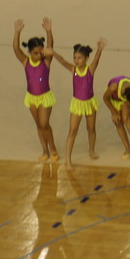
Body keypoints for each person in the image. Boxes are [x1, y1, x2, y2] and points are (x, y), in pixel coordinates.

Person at [45, 40, 105, 171]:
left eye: (79, 58)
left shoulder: (90, 70)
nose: (76, 61)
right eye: (75, 58)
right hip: (77, 103)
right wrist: (53, 52)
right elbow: (62, 61)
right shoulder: (74, 70)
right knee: (72, 131)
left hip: (89, 103)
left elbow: (96, 60)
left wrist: (100, 49)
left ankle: (91, 150)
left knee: (91, 128)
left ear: (86, 58)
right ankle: (68, 160)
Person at [13, 18, 59, 162]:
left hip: (45, 97)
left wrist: (49, 32)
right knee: (39, 125)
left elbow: (50, 46)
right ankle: (45, 151)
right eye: (36, 53)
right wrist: (17, 33)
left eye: (41, 52)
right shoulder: (26, 61)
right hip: (31, 97)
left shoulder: (46, 61)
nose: (39, 55)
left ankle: (53, 148)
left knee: (44, 123)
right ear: (29, 52)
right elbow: (16, 49)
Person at [103, 75, 130, 160]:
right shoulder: (113, 88)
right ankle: (128, 149)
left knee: (126, 118)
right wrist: (114, 113)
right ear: (125, 98)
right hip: (113, 98)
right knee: (118, 122)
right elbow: (105, 98)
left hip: (125, 98)